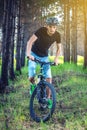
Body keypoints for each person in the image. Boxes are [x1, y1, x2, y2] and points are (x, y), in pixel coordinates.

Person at [26, 17, 61, 97]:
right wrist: (29, 54)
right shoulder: (41, 30)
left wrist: (56, 59)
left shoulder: (57, 35)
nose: (52, 29)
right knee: (31, 76)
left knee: (49, 78)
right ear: (47, 26)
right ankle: (32, 84)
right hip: (34, 54)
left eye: (54, 27)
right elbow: (30, 42)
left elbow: (59, 49)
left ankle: (48, 98)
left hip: (44, 56)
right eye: (50, 26)